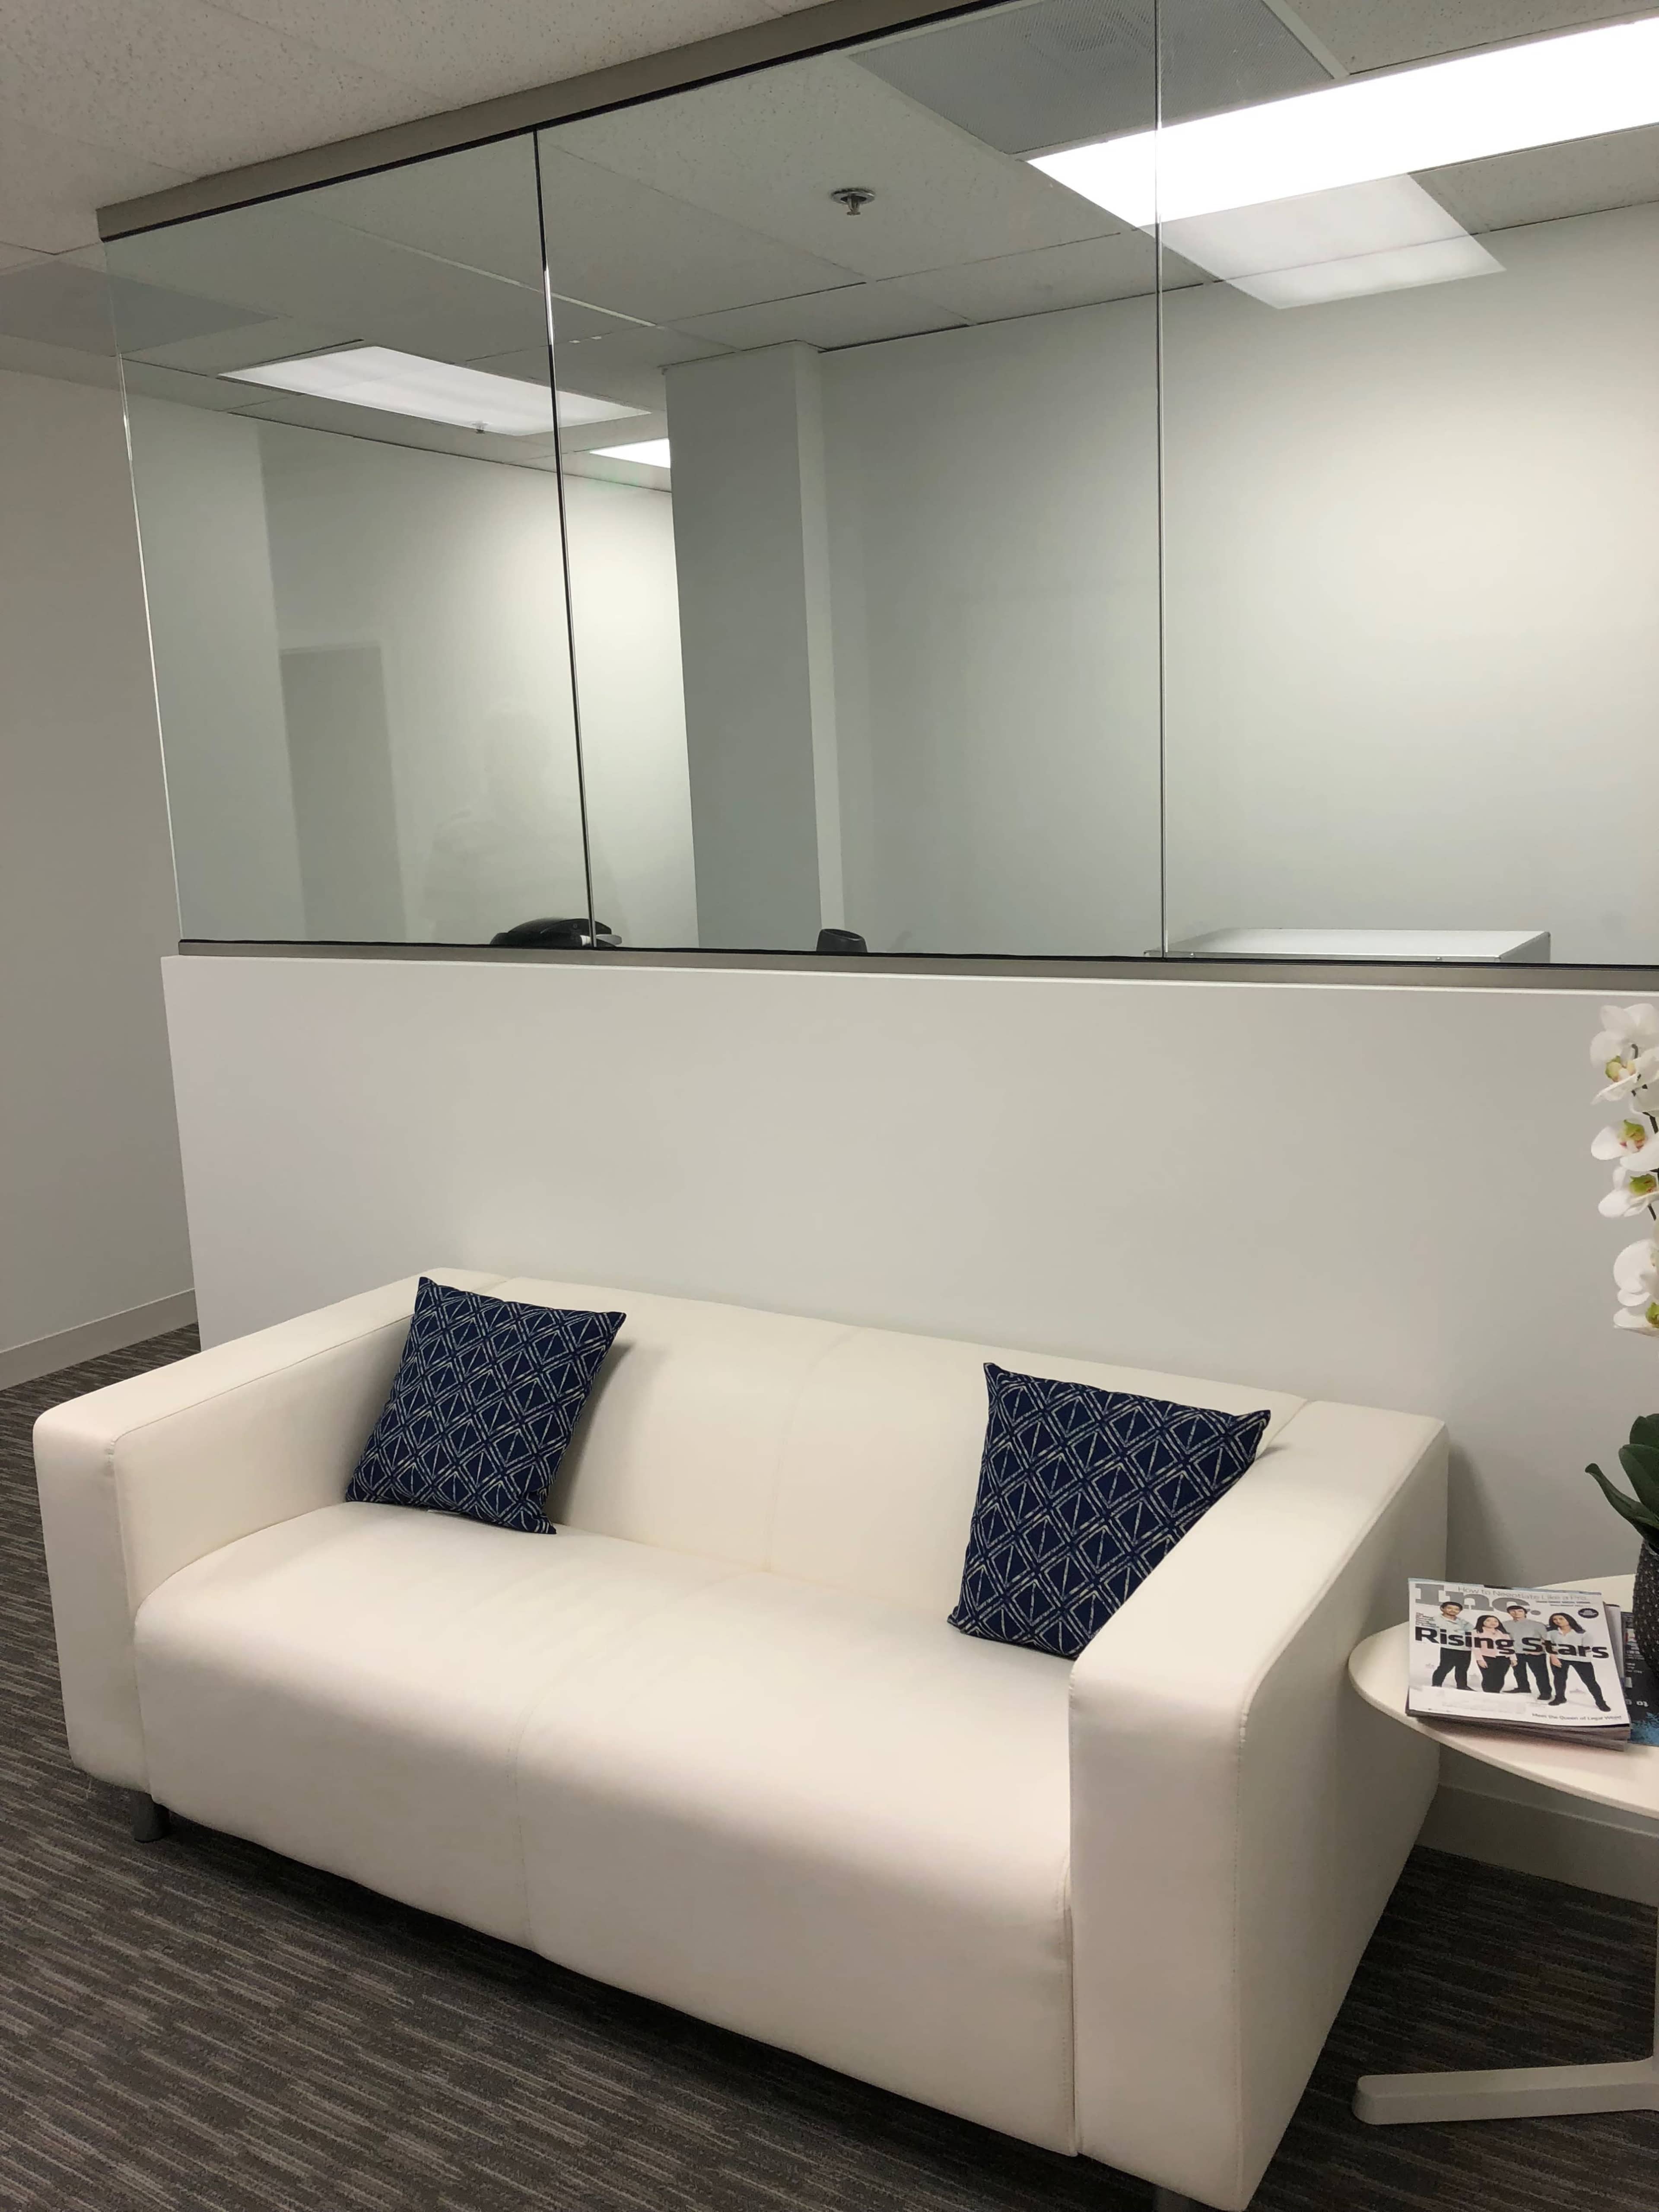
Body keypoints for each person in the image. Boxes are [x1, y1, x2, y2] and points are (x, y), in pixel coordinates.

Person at [1544, 1610, 1612, 1712]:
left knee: (1590, 1682)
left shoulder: (1583, 1634)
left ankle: (1600, 1702)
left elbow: (1588, 1649)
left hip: (1581, 1660)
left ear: (1569, 1620)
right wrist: (1553, 1658)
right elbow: (1549, 1646)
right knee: (1559, 1680)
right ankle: (1560, 1698)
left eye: (1561, 1619)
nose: (1558, 1621)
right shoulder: (1551, 1633)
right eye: (1555, 1619)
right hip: (1560, 1658)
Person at [1501, 1599, 1552, 1698]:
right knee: (1518, 1671)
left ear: (1525, 1613)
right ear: (1509, 1613)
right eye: (1513, 1611)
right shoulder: (1505, 1624)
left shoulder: (1537, 1625)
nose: (1516, 1613)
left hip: (1535, 1653)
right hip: (1516, 1652)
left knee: (1540, 1674)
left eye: (1520, 1611)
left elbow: (1547, 1639)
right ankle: (1523, 1687)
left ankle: (1546, 1693)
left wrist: (1544, 1650)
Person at [1426, 1596, 1473, 1691]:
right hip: (1449, 1646)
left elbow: (1472, 1630)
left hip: (1465, 1648)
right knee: (1445, 1667)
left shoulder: (1462, 1621)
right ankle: (1437, 1684)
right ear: (1443, 1609)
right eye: (1450, 1608)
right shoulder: (1435, 1619)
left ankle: (1462, 1686)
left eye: (1457, 1609)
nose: (1453, 1611)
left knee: (1463, 1669)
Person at [1471, 1613, 1513, 1693]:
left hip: (1504, 1658)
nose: (1493, 1623)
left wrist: (1513, 1658)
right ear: (1482, 1622)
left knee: (1501, 1677)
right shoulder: (1476, 1632)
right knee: (1488, 1677)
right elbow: (1475, 1647)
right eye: (1489, 1621)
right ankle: (1488, 1693)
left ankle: (1497, 1692)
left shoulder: (1503, 1633)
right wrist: (1480, 1660)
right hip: (1487, 1657)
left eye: (1496, 1621)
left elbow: (1510, 1647)